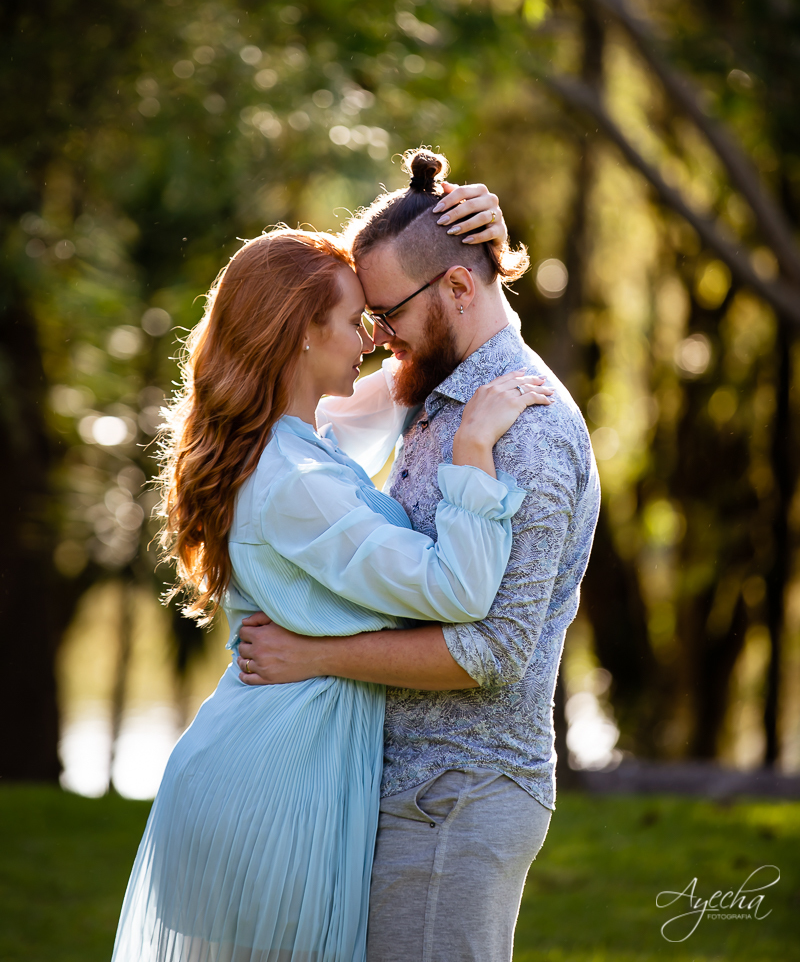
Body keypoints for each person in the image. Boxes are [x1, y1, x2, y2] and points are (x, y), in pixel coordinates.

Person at [111, 182, 551, 962]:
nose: (377, 341)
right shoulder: (297, 482)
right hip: (274, 789)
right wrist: (474, 449)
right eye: (356, 323)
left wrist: (478, 251)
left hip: (282, 770)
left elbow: (437, 345)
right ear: (303, 337)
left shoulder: (298, 439)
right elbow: (458, 590)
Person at [238, 149, 601, 962]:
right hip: (417, 789)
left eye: (386, 314)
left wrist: (315, 657)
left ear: (458, 290)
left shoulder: (528, 431)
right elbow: (301, 404)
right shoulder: (441, 390)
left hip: (460, 794)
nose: (376, 339)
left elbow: (495, 650)